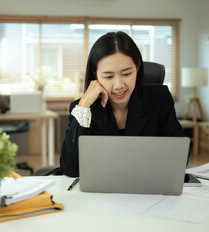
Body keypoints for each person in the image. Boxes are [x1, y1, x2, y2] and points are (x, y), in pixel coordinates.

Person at [60, 31, 183, 177]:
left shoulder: (159, 98)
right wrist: (84, 104)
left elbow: (179, 158)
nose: (118, 85)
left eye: (126, 74)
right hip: (102, 195)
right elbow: (71, 169)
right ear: (95, 74)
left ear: (137, 66)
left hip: (149, 190)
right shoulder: (83, 109)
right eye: (109, 76)